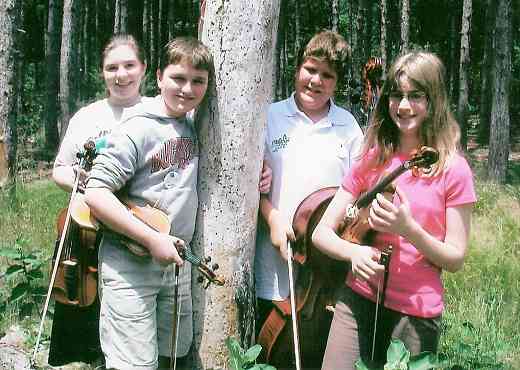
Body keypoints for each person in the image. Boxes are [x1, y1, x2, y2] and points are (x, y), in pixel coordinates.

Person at [312, 51, 477, 369]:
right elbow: (321, 232)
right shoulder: (372, 157)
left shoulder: (453, 169)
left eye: (416, 96)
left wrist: (408, 229)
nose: (403, 106)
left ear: (434, 100)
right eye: (396, 95)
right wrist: (353, 254)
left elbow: (455, 258)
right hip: (357, 299)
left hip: (415, 313)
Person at [83, 36, 213, 370]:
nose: (186, 89)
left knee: (173, 358)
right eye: (177, 78)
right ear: (158, 77)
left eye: (197, 81)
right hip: (130, 264)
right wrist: (152, 239)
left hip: (175, 266)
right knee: (134, 365)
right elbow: (96, 194)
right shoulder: (137, 127)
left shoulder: (195, 125)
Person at [255, 29, 363, 347]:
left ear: (337, 83)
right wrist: (273, 218)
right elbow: (252, 186)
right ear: (298, 68)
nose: (316, 81)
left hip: (323, 269)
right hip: (272, 255)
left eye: (327, 75)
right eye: (310, 69)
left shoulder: (348, 126)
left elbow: (356, 191)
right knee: (268, 343)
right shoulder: (270, 116)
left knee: (315, 344)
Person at [49, 34, 149, 367]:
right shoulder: (87, 116)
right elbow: (60, 170)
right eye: (112, 68)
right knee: (85, 308)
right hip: (89, 228)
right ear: (102, 73)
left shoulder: (157, 111)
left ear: (144, 68)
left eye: (129, 65)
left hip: (142, 225)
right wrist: (80, 181)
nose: (121, 75)